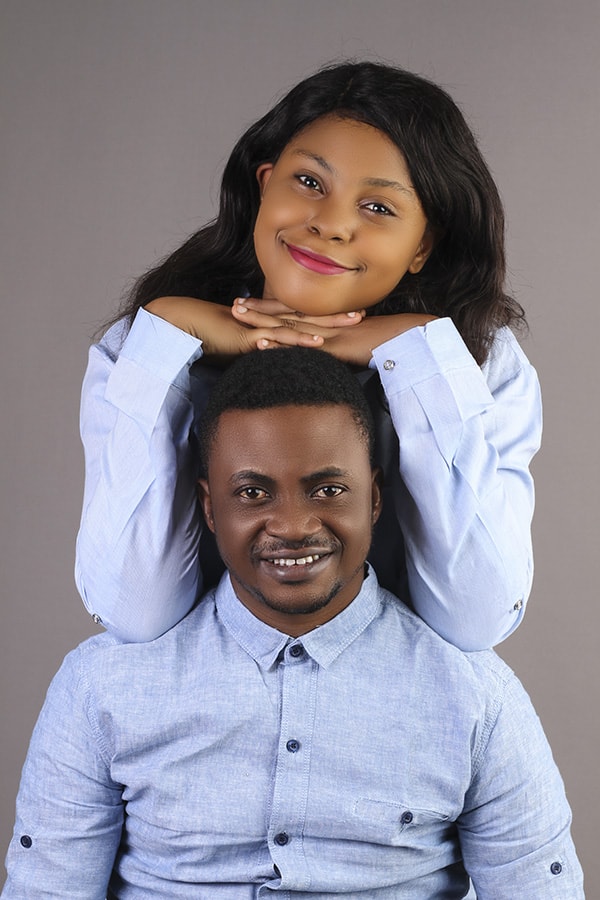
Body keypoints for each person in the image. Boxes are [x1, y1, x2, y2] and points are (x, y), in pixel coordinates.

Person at [3, 349, 581, 898]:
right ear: (209, 507)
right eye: (253, 492)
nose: (293, 526)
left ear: (374, 498)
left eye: (328, 490)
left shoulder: (477, 697)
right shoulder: (100, 688)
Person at [75, 60, 542, 649]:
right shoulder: (145, 348)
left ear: (422, 245)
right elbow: (134, 608)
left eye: (379, 208)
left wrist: (417, 354)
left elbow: (477, 617)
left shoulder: (477, 361)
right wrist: (167, 333)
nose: (331, 224)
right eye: (309, 182)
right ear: (264, 184)